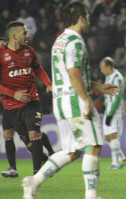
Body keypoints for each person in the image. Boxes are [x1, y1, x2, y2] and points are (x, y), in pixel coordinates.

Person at [22, 2, 119, 199]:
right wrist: (85, 99)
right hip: (75, 100)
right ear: (82, 17)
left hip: (61, 101)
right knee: (94, 144)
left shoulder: (60, 41)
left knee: (73, 150)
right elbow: (73, 71)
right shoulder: (75, 41)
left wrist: (98, 86)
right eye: (88, 18)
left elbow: (70, 75)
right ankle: (91, 195)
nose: (89, 22)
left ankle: (35, 181)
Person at [0, 21, 53, 177]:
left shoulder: (29, 51)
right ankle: (15, 167)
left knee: (34, 134)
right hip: (11, 106)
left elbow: (38, 68)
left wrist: (48, 83)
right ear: (14, 36)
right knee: (26, 142)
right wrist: (12, 94)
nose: (28, 35)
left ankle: (37, 174)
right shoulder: (1, 55)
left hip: (32, 102)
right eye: (25, 33)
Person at [100, 57, 126, 170]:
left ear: (109, 67)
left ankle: (115, 163)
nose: (101, 70)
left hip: (115, 111)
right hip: (108, 110)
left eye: (103, 68)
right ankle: (122, 158)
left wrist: (111, 113)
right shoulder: (108, 77)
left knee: (113, 135)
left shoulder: (117, 77)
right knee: (107, 137)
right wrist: (106, 107)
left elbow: (117, 98)